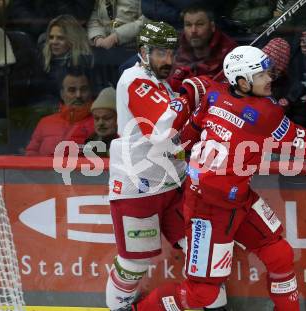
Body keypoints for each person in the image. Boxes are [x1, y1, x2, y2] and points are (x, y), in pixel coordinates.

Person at [131, 46, 306, 311]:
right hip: (208, 211)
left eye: (269, 72)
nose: (270, 79)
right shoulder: (265, 115)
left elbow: (188, 136)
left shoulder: (214, 94)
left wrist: (192, 93)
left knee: (279, 254)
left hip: (236, 199)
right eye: (262, 75)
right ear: (243, 82)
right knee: (202, 294)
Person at [106, 21, 227, 311]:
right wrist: (190, 95)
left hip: (174, 185)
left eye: (171, 52)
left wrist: (198, 91)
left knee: (200, 253)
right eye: (160, 52)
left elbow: (184, 126)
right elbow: (161, 131)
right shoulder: (134, 80)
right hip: (138, 188)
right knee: (134, 263)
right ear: (142, 52)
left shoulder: (161, 83)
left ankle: (216, 305)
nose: (168, 60)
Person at [167, 3, 237, 91]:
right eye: (188, 25)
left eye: (199, 24)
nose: (193, 31)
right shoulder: (175, 47)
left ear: (212, 26)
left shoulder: (230, 52)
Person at [25, 67, 94, 156]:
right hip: (46, 170)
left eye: (83, 89)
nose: (78, 95)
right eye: (72, 90)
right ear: (62, 94)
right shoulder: (45, 123)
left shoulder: (100, 122)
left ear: (90, 92)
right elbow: (31, 155)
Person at [40, 14, 93, 103]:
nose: (54, 42)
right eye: (51, 37)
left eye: (60, 38)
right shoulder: (43, 59)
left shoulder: (84, 62)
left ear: (73, 39)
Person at [7, 0, 95, 42]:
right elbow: (18, 9)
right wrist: (40, 27)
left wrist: (56, 27)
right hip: (33, 32)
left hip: (69, 32)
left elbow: (82, 12)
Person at [80, 86, 118, 157]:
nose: (100, 123)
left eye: (107, 118)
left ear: (118, 118)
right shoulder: (89, 143)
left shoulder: (126, 144)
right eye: (96, 118)